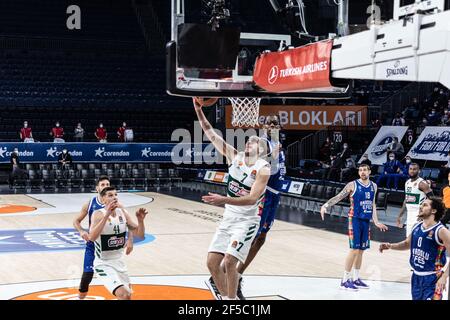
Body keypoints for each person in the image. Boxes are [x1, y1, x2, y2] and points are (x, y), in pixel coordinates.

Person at [193, 97, 270, 300]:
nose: (250, 142)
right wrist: (198, 110)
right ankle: (228, 298)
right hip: (229, 219)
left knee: (228, 262)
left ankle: (231, 300)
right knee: (211, 263)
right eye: (249, 140)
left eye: (255, 142)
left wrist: (223, 199)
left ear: (261, 151)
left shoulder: (263, 169)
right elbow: (209, 132)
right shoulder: (234, 156)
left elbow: (253, 199)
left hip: (246, 221)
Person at [235, 115, 286, 300]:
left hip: (275, 196)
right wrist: (271, 155)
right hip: (264, 195)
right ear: (264, 127)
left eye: (275, 124)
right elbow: (253, 160)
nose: (272, 126)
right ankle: (230, 273)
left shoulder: (278, 144)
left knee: (261, 238)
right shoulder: (264, 142)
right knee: (251, 236)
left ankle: (238, 274)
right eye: (269, 124)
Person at [320, 164, 388, 291]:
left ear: (369, 172)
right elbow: (339, 196)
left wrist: (376, 221)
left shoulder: (374, 186)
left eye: (365, 170)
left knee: (361, 250)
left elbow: (372, 204)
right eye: (360, 170)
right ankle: (345, 280)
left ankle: (356, 278)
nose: (363, 172)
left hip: (365, 220)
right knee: (354, 249)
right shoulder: (352, 185)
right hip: (355, 218)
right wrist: (325, 205)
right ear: (358, 172)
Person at [380, 197, 450, 300]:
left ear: (434, 211)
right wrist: (391, 246)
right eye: (421, 204)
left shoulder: (441, 231)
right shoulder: (416, 226)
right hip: (416, 277)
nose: (421, 207)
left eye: (425, 205)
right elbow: (407, 243)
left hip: (434, 277)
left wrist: (444, 276)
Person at [89, 186, 148, 300]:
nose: (114, 197)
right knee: (124, 294)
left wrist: (140, 221)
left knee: (127, 296)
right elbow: (91, 237)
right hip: (103, 263)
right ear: (103, 199)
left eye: (116, 195)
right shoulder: (98, 214)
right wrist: (107, 215)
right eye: (110, 195)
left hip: (119, 262)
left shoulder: (123, 213)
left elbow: (140, 235)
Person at [73, 176, 110, 299]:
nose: (105, 186)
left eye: (107, 184)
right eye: (103, 184)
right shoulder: (90, 204)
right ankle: (80, 297)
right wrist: (81, 230)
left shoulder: (116, 205)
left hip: (108, 245)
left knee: (117, 276)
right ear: (97, 188)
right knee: (87, 277)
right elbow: (76, 221)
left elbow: (127, 223)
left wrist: (128, 239)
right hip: (93, 244)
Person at [396, 163, 434, 237]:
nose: (412, 171)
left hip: (419, 215)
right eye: (410, 169)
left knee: (417, 239)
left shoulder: (422, 183)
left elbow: (432, 199)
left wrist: (424, 214)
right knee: (409, 239)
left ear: (419, 171)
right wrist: (399, 216)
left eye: (414, 169)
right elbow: (405, 201)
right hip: (409, 214)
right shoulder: (407, 182)